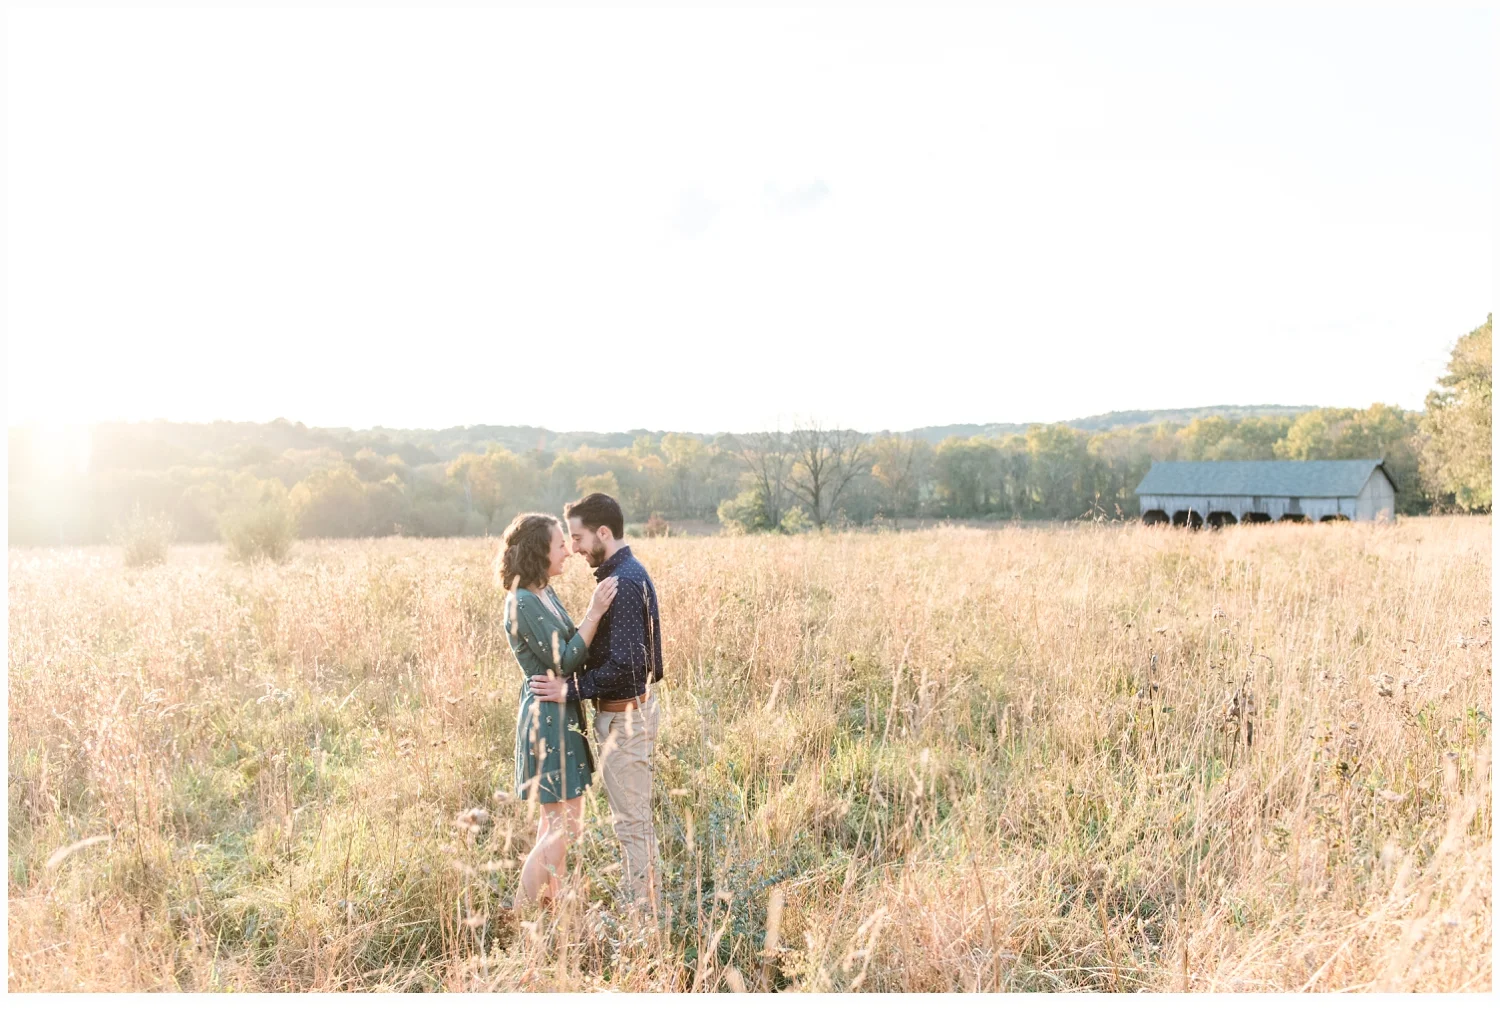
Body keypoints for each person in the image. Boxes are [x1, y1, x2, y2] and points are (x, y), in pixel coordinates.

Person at [528, 492, 664, 912]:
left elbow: (627, 666)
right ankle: (643, 909)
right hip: (625, 716)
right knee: (632, 821)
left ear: (603, 532)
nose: (573, 548)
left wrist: (569, 689)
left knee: (633, 825)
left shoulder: (624, 583)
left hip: (626, 721)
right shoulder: (621, 575)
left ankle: (643, 917)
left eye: (578, 537)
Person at [497, 512, 618, 909]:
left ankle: (551, 906)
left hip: (561, 710)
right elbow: (564, 659)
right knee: (564, 827)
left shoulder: (544, 593)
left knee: (558, 823)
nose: (568, 551)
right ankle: (519, 911)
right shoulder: (522, 601)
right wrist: (594, 612)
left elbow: (570, 653)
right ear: (539, 551)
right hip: (547, 717)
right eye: (559, 545)